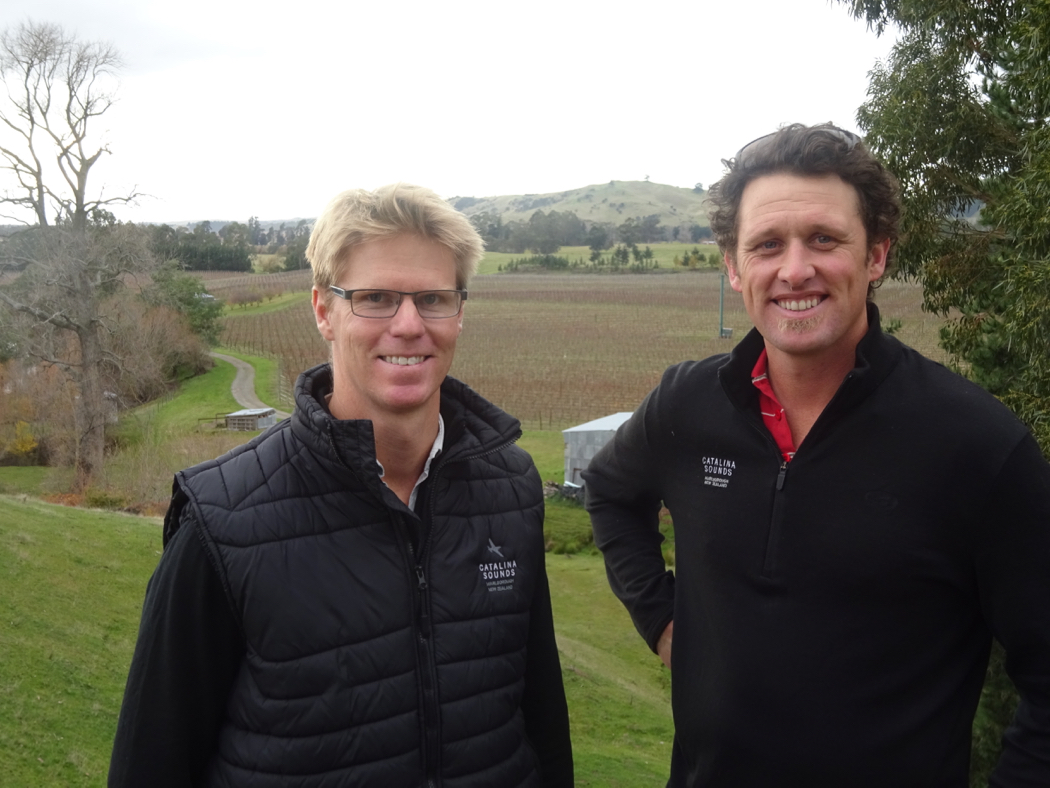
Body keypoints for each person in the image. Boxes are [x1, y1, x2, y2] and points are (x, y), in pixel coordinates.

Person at [583, 123, 1050, 786]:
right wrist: (661, 618)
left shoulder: (975, 444)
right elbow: (608, 492)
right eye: (767, 245)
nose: (794, 269)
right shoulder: (686, 405)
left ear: (877, 256)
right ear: (734, 266)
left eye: (824, 240)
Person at [109, 184, 574, 787]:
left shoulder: (510, 488)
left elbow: (541, 722)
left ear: (459, 311)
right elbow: (151, 764)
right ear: (324, 310)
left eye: (433, 298)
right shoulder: (222, 521)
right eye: (375, 298)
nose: (409, 325)